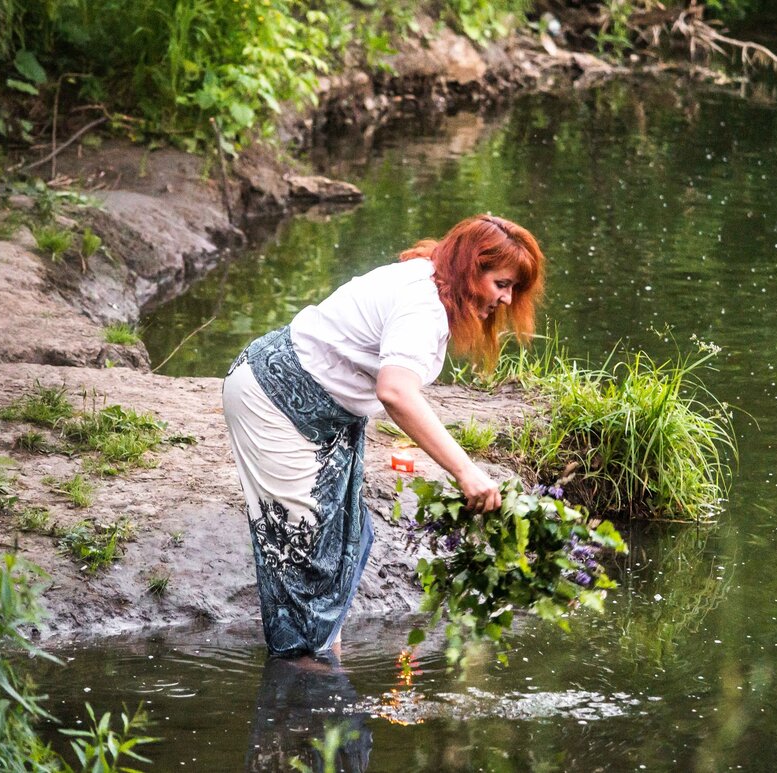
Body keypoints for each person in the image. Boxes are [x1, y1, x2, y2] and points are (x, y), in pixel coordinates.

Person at [222, 214, 545, 657]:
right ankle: (300, 689)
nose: (506, 299)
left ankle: (322, 662)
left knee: (347, 540)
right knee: (304, 559)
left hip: (330, 412)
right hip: (274, 401)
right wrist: (465, 471)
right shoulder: (423, 305)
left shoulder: (436, 282)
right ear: (473, 268)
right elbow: (395, 391)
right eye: (502, 283)